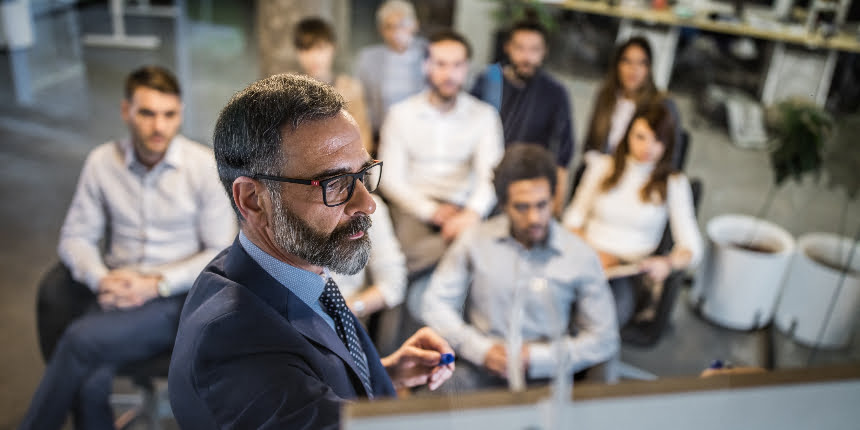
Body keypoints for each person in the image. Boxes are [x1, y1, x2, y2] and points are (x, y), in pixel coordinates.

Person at [168, 73, 455, 429]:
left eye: (363, 173)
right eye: (334, 183)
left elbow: (301, 384)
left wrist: (378, 375)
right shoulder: (238, 343)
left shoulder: (259, 266)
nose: (367, 205)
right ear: (253, 200)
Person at [21, 66, 237, 430]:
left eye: (169, 115)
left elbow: (222, 251)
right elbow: (75, 236)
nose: (159, 127)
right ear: (126, 112)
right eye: (147, 113)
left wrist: (156, 284)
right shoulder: (102, 163)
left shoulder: (202, 167)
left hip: (177, 299)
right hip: (116, 292)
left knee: (77, 341)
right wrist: (101, 278)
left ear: (180, 113)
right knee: (90, 380)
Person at [421, 144, 619, 391]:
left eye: (542, 205)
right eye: (522, 207)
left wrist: (536, 358)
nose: (535, 218)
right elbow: (434, 304)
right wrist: (480, 349)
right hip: (481, 369)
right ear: (503, 204)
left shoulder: (579, 256)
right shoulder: (474, 241)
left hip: (546, 378)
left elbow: (604, 338)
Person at [563, 102, 702, 325]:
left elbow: (692, 248)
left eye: (657, 140)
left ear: (668, 144)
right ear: (628, 134)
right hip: (585, 256)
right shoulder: (602, 166)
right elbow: (573, 217)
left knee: (598, 316)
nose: (647, 147)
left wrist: (667, 263)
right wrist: (594, 253)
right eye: (640, 137)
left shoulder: (673, 183)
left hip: (627, 271)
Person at [378, 30, 504, 274]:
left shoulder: (484, 116)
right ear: (426, 66)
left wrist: (471, 214)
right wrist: (430, 210)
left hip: (464, 207)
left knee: (400, 264)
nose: (449, 74)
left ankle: (394, 274)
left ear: (466, 68)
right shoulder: (401, 114)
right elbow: (388, 177)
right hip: (414, 207)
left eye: (457, 65)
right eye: (441, 64)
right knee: (471, 256)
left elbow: (491, 174)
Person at [471, 20, 575, 215]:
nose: (527, 57)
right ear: (507, 48)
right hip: (482, 177)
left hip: (528, 186)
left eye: (534, 50)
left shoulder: (555, 92)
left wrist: (557, 204)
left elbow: (563, 152)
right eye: (520, 48)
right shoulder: (488, 81)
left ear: (544, 52)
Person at [582, 36, 684, 169]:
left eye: (641, 63)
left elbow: (671, 158)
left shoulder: (662, 104)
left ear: (649, 68)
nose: (633, 69)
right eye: (627, 61)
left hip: (642, 176)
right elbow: (590, 144)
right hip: (602, 171)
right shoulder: (606, 96)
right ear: (617, 65)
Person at [294, 16, 374, 154]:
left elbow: (364, 138)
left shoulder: (351, 88)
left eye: (320, 48)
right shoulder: (290, 89)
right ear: (298, 52)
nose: (314, 56)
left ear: (332, 48)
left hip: (345, 165)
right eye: (306, 49)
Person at [355, 0, 427, 140]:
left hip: (422, 133)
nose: (396, 32)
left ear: (414, 25)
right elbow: (361, 101)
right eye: (389, 27)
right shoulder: (368, 58)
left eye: (402, 25)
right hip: (382, 133)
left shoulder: (428, 53)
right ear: (381, 30)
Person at [332, 194, 407, 321]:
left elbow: (393, 284)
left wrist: (348, 310)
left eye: (361, 176)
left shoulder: (371, 209)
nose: (370, 205)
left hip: (349, 315)